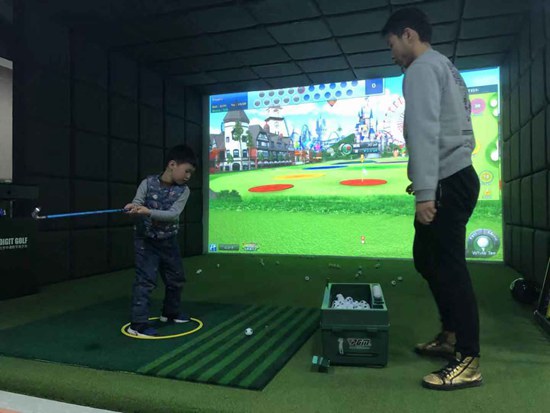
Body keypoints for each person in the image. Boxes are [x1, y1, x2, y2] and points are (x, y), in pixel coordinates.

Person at [381, 8, 482, 390]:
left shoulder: (421, 69)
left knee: (450, 269)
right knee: (426, 258)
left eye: (392, 44)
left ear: (408, 35)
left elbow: (423, 131)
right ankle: (451, 334)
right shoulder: (446, 66)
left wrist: (426, 192)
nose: (392, 54)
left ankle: (468, 359)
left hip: (447, 181)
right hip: (455, 176)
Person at [124, 144, 198, 337]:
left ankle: (170, 313)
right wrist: (134, 207)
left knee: (176, 278)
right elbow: (138, 203)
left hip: (168, 241)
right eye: (186, 171)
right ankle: (138, 324)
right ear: (172, 164)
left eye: (191, 173)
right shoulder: (147, 183)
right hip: (146, 241)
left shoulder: (183, 191)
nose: (188, 176)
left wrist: (148, 211)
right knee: (145, 281)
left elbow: (173, 214)